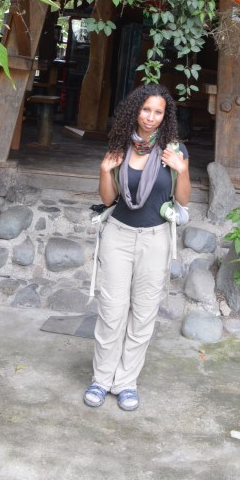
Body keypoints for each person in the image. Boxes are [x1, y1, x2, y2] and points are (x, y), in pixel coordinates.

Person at [83, 83, 190, 412]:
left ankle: (126, 381)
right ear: (135, 111)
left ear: (165, 115)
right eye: (146, 110)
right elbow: (108, 199)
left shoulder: (174, 150)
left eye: (158, 112)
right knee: (112, 312)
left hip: (155, 239)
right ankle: (102, 379)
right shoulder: (120, 146)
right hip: (118, 235)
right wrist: (104, 170)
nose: (151, 117)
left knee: (143, 314)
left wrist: (182, 171)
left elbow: (182, 199)